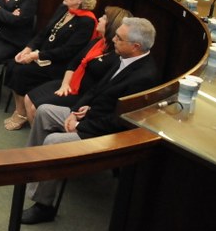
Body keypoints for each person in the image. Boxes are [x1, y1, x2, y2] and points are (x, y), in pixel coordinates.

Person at [21, 17, 158, 225]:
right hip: (90, 115)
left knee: (52, 143)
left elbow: (121, 122)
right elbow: (95, 90)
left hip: (103, 132)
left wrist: (79, 125)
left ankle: (44, 205)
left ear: (136, 46)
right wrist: (75, 111)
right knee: (44, 111)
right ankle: (31, 170)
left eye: (119, 38)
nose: (113, 40)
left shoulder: (145, 77)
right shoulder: (125, 57)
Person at [4, 0, 97, 131]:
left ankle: (21, 114)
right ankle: (20, 110)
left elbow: (68, 51)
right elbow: (44, 32)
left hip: (60, 65)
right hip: (43, 55)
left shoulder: (87, 21)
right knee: (14, 64)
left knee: (22, 71)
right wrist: (28, 48)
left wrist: (36, 56)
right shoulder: (63, 8)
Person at [24, 6, 132, 124]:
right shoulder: (97, 42)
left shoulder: (116, 56)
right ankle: (38, 134)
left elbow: (99, 88)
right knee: (28, 98)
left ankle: (41, 139)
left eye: (104, 18)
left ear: (111, 25)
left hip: (83, 95)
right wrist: (65, 84)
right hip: (70, 83)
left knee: (36, 108)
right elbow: (74, 63)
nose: (99, 19)